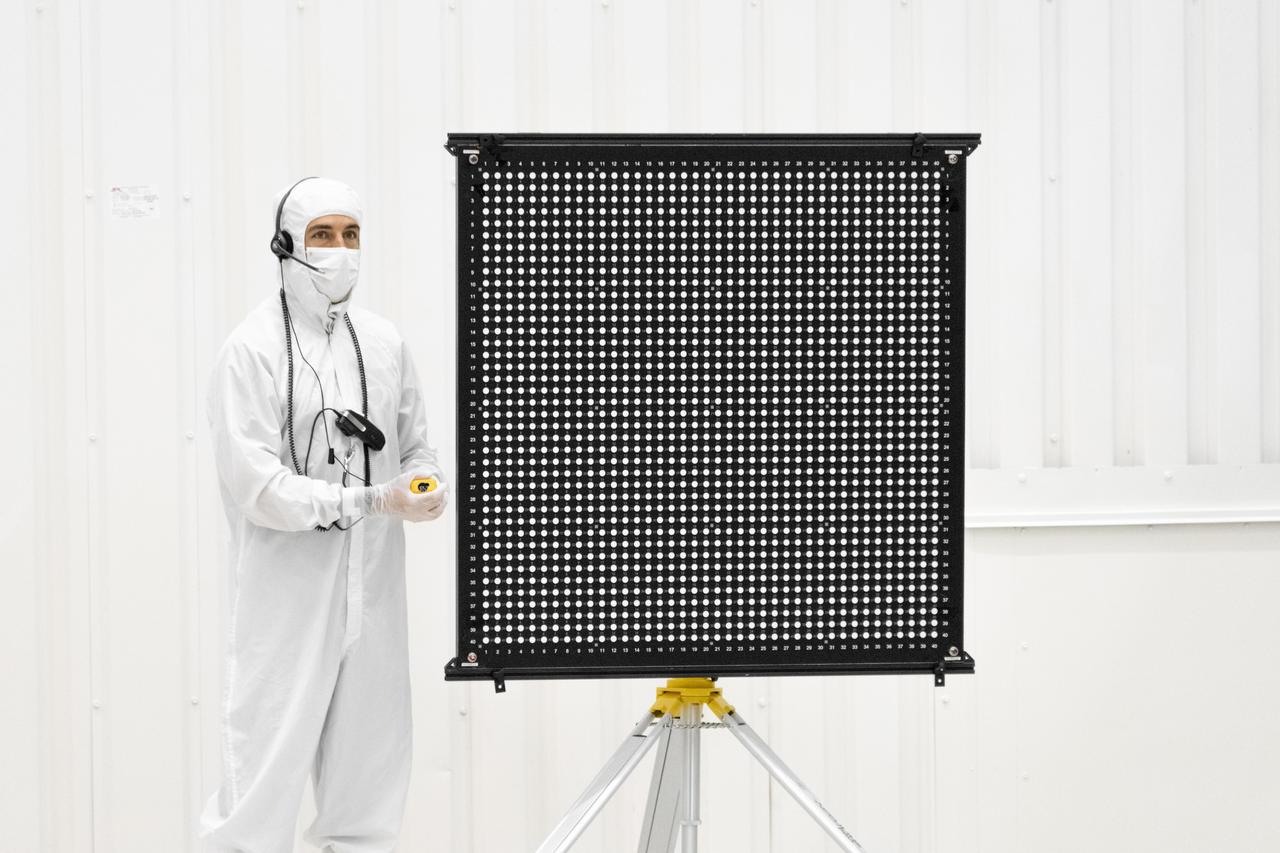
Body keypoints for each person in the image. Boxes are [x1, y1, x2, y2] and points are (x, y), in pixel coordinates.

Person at [200, 177, 447, 853]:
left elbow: (415, 441)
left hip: (374, 593)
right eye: (322, 235)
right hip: (287, 596)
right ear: (285, 245)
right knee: (260, 779)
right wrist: (370, 499)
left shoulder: (383, 341)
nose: (340, 252)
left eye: (351, 235)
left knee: (368, 784)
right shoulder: (250, 350)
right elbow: (259, 487)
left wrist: (425, 481)